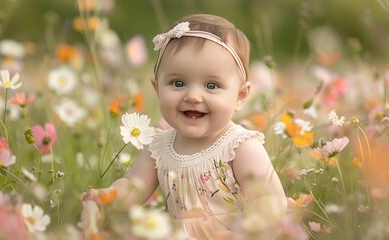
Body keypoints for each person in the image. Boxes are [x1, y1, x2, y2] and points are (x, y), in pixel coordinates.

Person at [81, 13, 287, 239]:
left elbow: (269, 199)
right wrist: (108, 196)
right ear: (157, 88)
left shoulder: (240, 146)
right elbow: (133, 188)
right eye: (178, 83)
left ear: (240, 96)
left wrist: (251, 229)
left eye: (211, 85)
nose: (193, 96)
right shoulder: (159, 147)